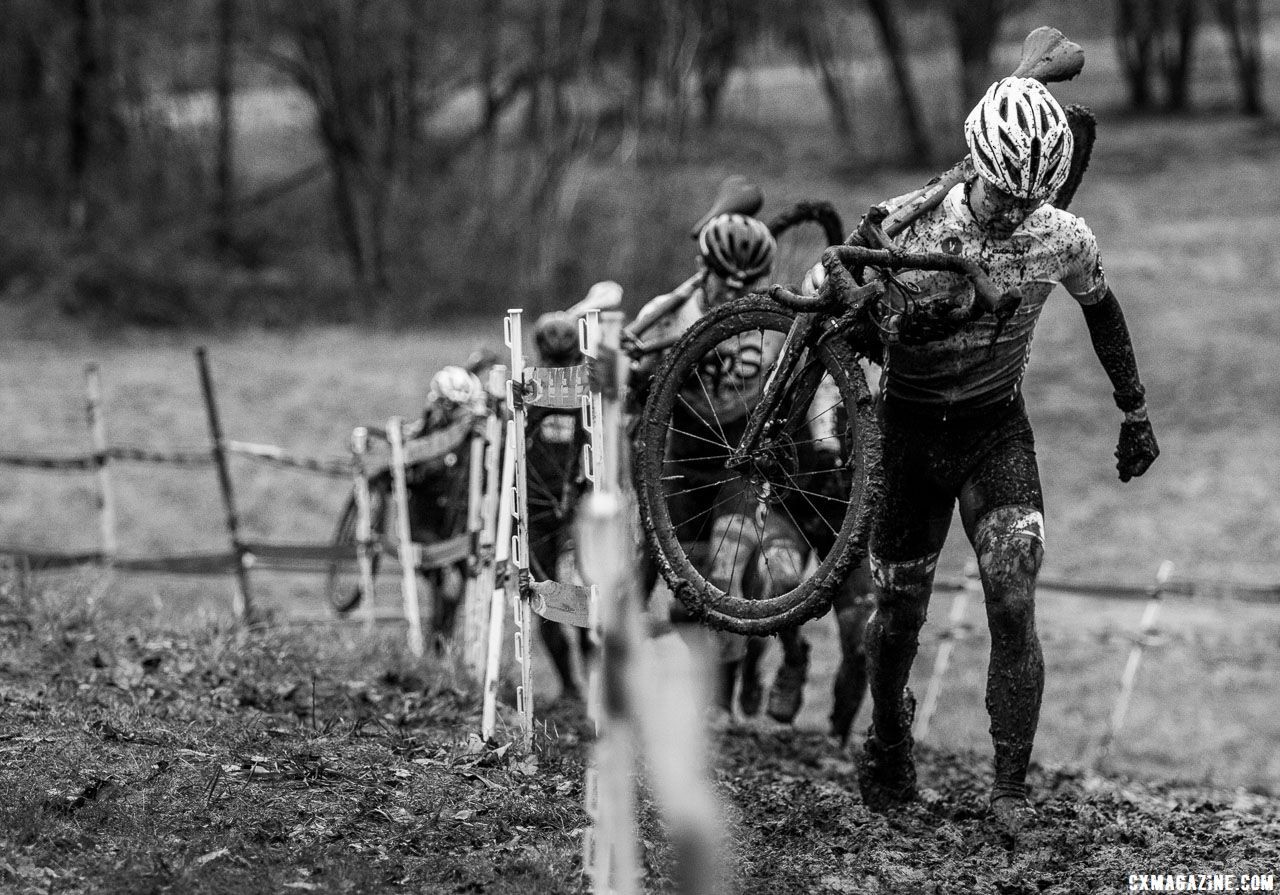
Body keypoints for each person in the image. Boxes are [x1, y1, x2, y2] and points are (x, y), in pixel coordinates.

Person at [849, 77, 1160, 833]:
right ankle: (889, 737)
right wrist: (896, 328)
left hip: (995, 432)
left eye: (1027, 204)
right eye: (1000, 198)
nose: (1010, 215)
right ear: (976, 162)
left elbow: (1102, 307)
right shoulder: (907, 228)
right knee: (898, 616)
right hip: (910, 434)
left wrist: (1135, 409)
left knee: (1014, 596)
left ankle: (1009, 790)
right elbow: (848, 331)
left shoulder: (1062, 235)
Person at [524, 311, 595, 703]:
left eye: (564, 364)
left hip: (576, 511)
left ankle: (593, 684)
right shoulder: (527, 391)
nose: (557, 373)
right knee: (542, 596)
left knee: (583, 597)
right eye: (552, 364)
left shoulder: (588, 395)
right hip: (533, 511)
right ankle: (569, 686)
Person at [403, 365, 489, 647]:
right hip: (425, 519)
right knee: (444, 578)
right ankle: (437, 642)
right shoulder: (427, 428)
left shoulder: (474, 432)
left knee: (455, 581)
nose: (457, 413)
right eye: (452, 406)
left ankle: (442, 643)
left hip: (456, 519)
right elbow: (415, 467)